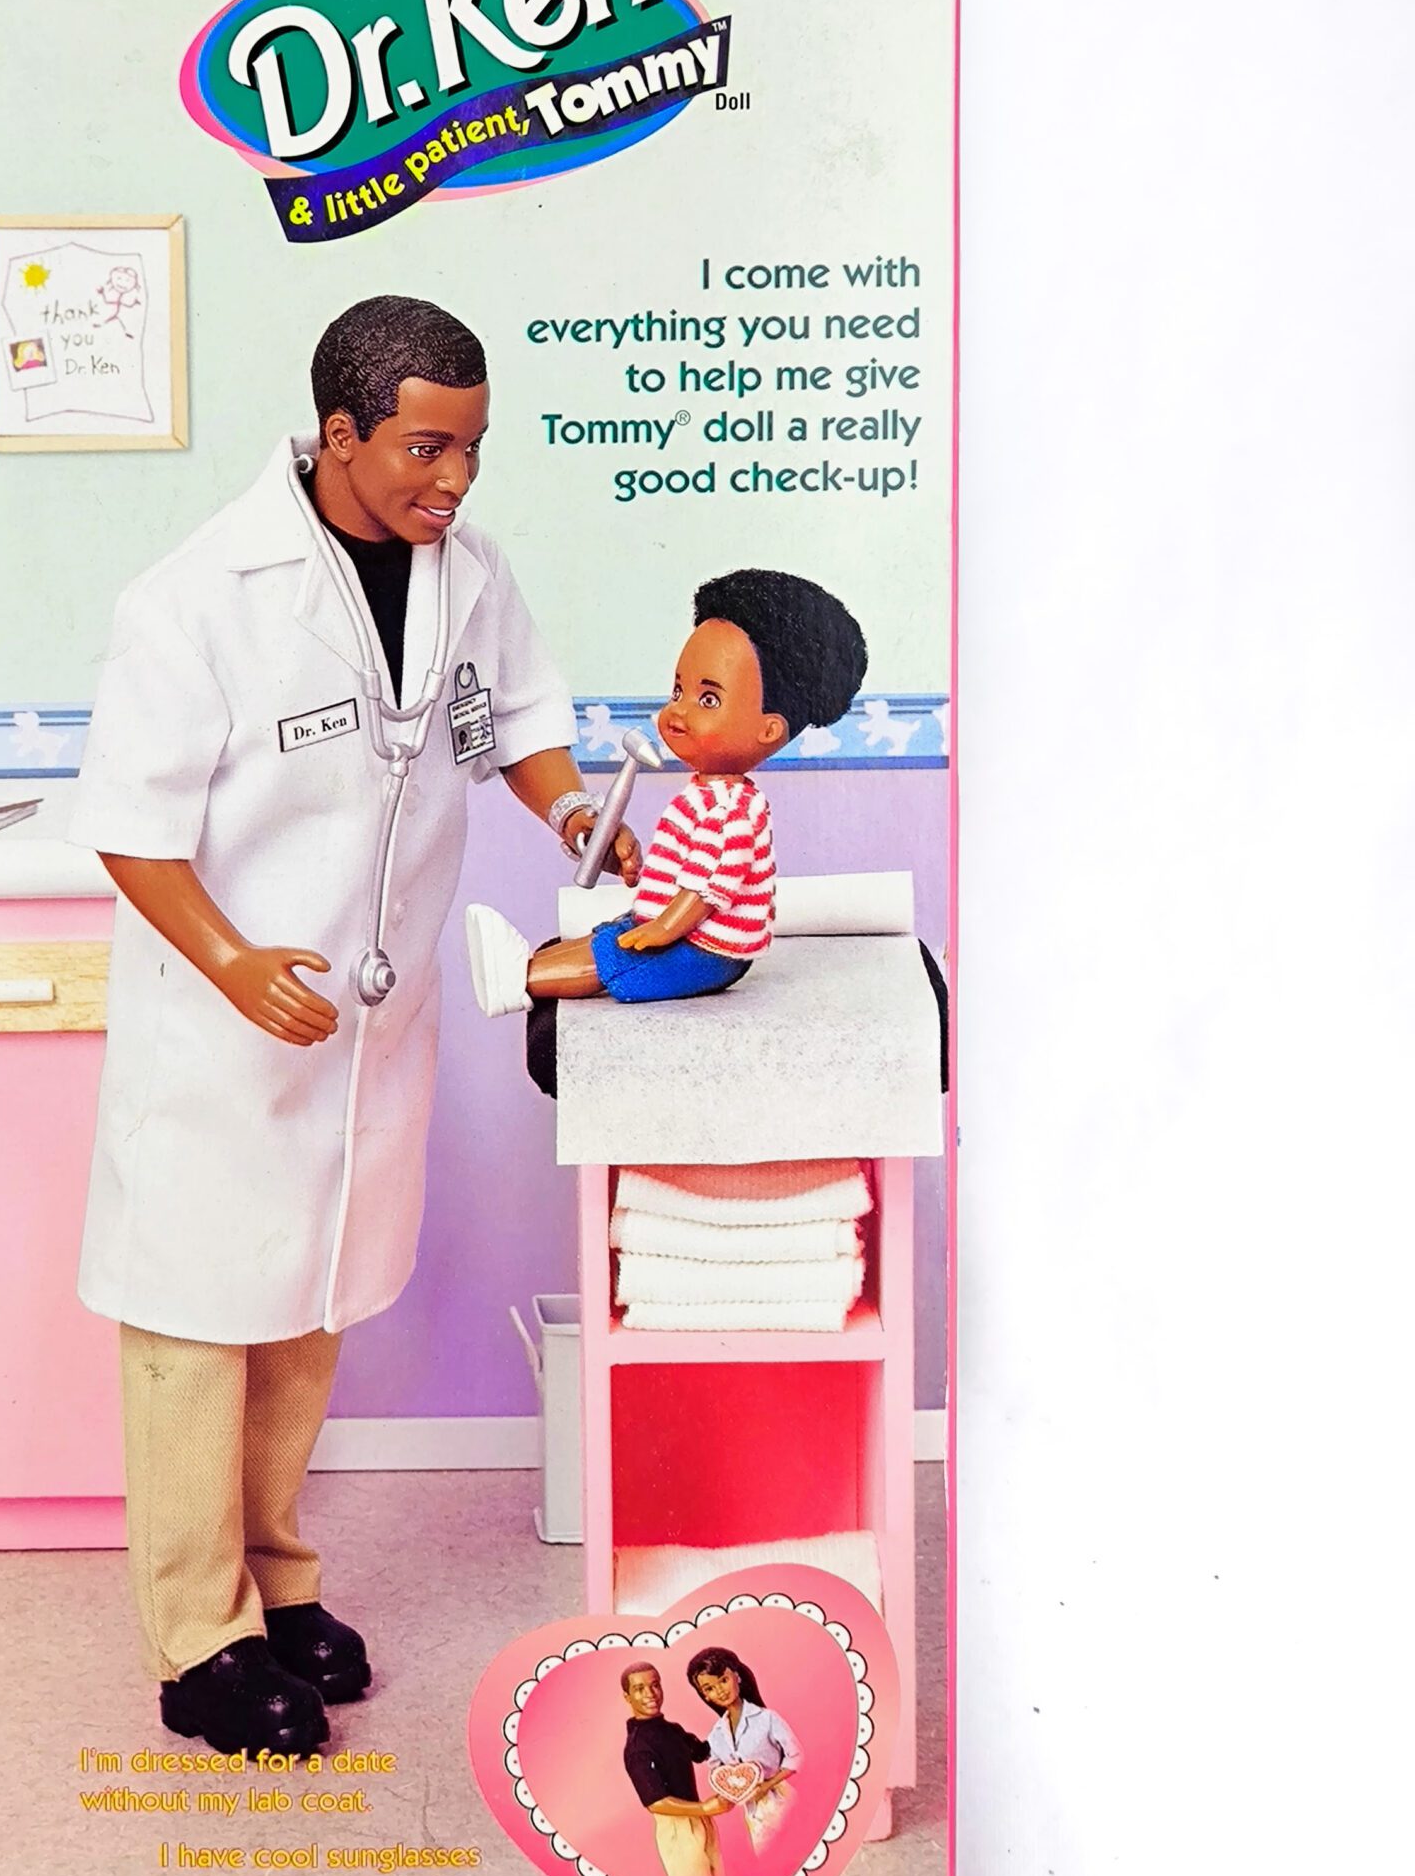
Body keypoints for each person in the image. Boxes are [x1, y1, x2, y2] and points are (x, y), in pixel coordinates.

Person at [66, 296, 640, 1760]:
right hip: (229, 1030)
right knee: (200, 1332)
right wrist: (231, 962)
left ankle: (275, 1584)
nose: (456, 479)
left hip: (365, 1023)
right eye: (426, 448)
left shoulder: (469, 574)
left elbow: (509, 721)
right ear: (341, 435)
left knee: (306, 1313)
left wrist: (573, 809)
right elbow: (130, 825)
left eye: (474, 448)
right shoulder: (199, 598)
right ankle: (197, 1640)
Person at [463, 569, 866, 1019]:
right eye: (678, 691)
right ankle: (523, 965)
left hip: (707, 950)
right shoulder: (706, 795)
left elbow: (708, 888)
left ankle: (519, 979)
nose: (676, 711)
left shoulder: (733, 809)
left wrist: (665, 928)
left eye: (708, 699)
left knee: (618, 958)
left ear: (768, 729)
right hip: (680, 929)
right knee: (608, 937)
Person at [619, 1661, 733, 1876]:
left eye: (655, 1685)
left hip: (702, 1818)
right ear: (627, 1697)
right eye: (639, 1689)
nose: (650, 1694)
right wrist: (705, 1808)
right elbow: (655, 1802)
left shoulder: (672, 1730)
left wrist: (730, 1716)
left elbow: (702, 1752)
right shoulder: (637, 1747)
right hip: (677, 1828)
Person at [686, 1644, 805, 1850]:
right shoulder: (716, 1736)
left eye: (723, 1680)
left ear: (737, 1677)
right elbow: (719, 1772)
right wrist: (729, 1793)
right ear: (705, 1695)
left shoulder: (766, 1719)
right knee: (771, 1858)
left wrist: (766, 1785)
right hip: (754, 1814)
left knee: (799, 1850)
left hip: (783, 1802)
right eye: (709, 1688)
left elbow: (796, 1755)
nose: (720, 1691)